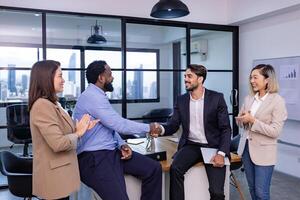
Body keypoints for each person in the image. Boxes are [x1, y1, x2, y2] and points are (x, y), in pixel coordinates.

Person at [73, 60, 162, 200]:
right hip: (94, 157)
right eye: (110, 74)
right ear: (101, 78)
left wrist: (121, 144)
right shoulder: (92, 97)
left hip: (110, 152)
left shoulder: (98, 95)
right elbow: (118, 124)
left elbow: (109, 126)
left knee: (154, 169)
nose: (112, 77)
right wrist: (149, 128)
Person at [152, 64, 231, 200]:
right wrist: (161, 129)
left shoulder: (217, 98)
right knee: (175, 169)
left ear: (200, 79)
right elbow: (173, 125)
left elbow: (225, 128)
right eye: (185, 76)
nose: (185, 79)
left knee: (217, 192)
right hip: (191, 145)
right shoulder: (181, 100)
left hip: (213, 147)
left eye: (189, 76)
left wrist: (221, 153)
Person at [29, 60, 98, 200]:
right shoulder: (42, 106)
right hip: (53, 178)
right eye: (60, 76)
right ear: (47, 78)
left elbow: (64, 131)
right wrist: (78, 133)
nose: (63, 80)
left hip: (61, 174)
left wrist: (81, 128)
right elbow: (58, 143)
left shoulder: (54, 103)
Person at [236, 64, 287, 200]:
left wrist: (253, 121)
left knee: (261, 193)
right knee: (252, 189)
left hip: (264, 154)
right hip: (247, 149)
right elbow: (241, 122)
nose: (251, 80)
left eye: (255, 77)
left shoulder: (277, 101)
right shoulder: (249, 98)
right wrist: (241, 119)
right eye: (251, 77)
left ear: (267, 80)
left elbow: (275, 131)